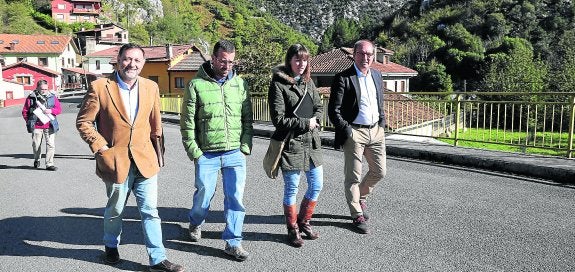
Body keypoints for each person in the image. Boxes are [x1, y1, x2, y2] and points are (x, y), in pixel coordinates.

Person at [76, 43, 184, 272]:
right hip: (115, 161)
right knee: (115, 210)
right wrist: (101, 146)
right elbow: (84, 122)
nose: (131, 64)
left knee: (150, 211)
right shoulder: (100, 87)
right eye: (127, 59)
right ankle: (110, 245)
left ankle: (158, 258)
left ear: (142, 64)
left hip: (145, 160)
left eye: (136, 60)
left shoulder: (151, 87)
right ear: (118, 60)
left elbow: (156, 125)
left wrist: (158, 156)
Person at [180, 40, 253, 261]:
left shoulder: (240, 84)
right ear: (213, 58)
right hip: (207, 154)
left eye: (230, 62)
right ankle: (195, 221)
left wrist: (245, 147)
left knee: (235, 198)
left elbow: (247, 119)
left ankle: (233, 242)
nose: (227, 66)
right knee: (203, 198)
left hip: (234, 154)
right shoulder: (195, 85)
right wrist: (195, 152)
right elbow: (187, 123)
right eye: (223, 61)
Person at [328, 40, 387, 234]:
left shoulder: (377, 75)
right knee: (353, 176)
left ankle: (360, 197)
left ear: (373, 55)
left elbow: (379, 101)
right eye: (361, 54)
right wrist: (348, 131)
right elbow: (334, 111)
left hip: (376, 131)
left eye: (369, 54)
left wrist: (382, 124)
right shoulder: (343, 78)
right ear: (354, 55)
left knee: (379, 171)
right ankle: (356, 214)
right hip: (355, 132)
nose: (365, 58)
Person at [267, 44, 323, 247]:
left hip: (312, 143)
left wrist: (316, 118)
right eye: (297, 59)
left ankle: (304, 222)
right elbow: (278, 120)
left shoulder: (308, 82)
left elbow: (318, 106)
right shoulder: (278, 85)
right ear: (289, 60)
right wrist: (305, 123)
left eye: (305, 60)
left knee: (317, 185)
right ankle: (292, 229)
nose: (301, 64)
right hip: (291, 144)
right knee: (292, 189)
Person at [22, 79, 61, 171]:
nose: (44, 91)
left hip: (50, 125)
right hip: (36, 126)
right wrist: (29, 121)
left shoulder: (52, 97)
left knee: (51, 145)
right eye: (42, 89)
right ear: (37, 88)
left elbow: (59, 109)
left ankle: (49, 164)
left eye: (46, 89)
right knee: (36, 145)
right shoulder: (31, 98)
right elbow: (25, 111)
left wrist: (51, 111)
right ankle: (37, 159)